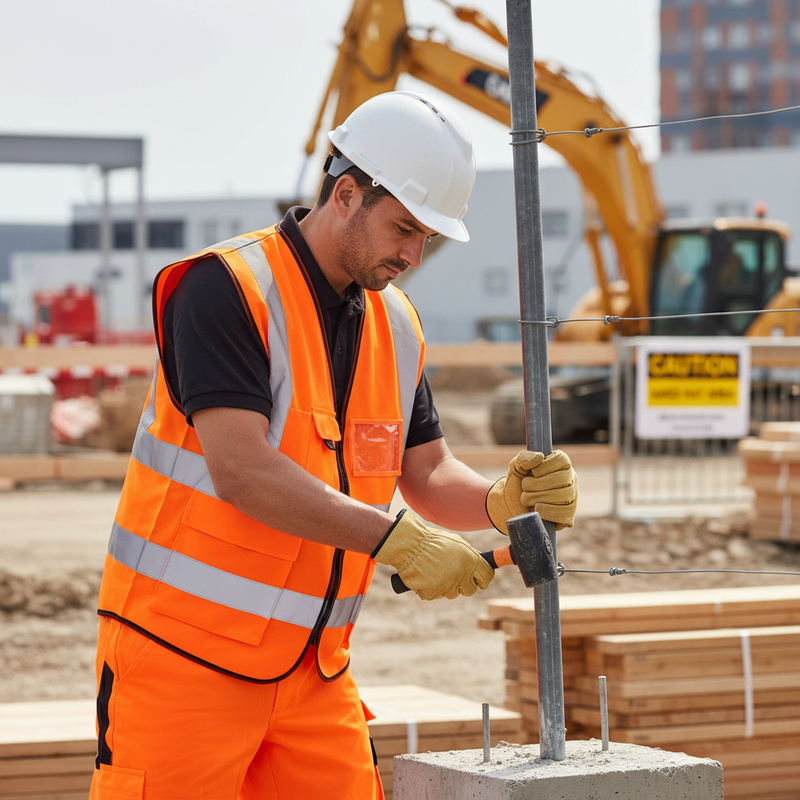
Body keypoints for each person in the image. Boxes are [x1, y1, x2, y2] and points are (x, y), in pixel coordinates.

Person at [89, 91, 578, 800]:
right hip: (181, 662)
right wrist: (398, 543)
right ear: (345, 193)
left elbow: (427, 469)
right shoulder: (225, 288)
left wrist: (499, 502)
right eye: (404, 228)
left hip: (314, 672)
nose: (413, 254)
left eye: (427, 240)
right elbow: (243, 470)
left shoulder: (397, 323)